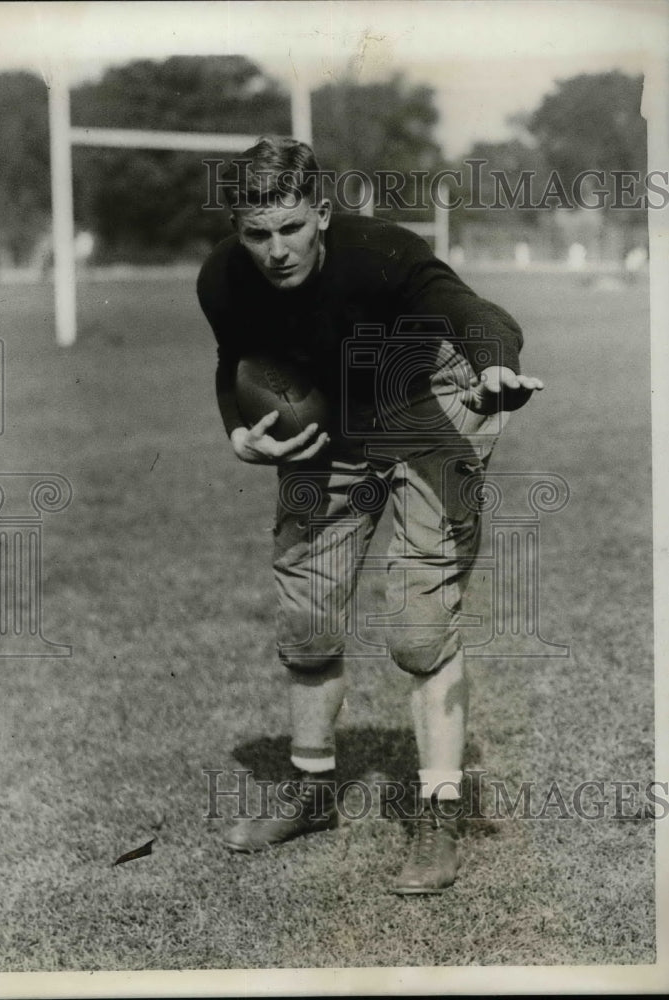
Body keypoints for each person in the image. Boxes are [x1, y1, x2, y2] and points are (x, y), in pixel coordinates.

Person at [197, 136, 543, 894]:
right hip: (332, 423)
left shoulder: (378, 254)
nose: (276, 250)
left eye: (290, 227)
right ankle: (314, 790)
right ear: (236, 230)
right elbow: (237, 361)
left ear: (321, 211)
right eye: (256, 234)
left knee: (420, 628)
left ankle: (438, 809)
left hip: (433, 403)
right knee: (307, 613)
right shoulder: (224, 277)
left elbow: (468, 309)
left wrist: (492, 362)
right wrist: (238, 432)